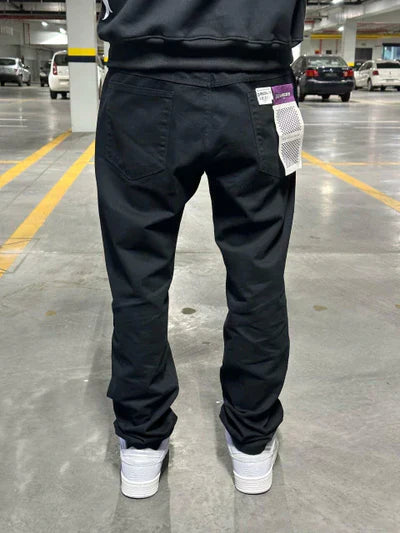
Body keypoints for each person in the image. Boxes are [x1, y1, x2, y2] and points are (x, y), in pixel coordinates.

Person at [95, 0, 306, 498]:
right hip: (259, 81)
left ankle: (141, 446)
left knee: (138, 276)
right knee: (258, 273)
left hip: (142, 81)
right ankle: (252, 443)